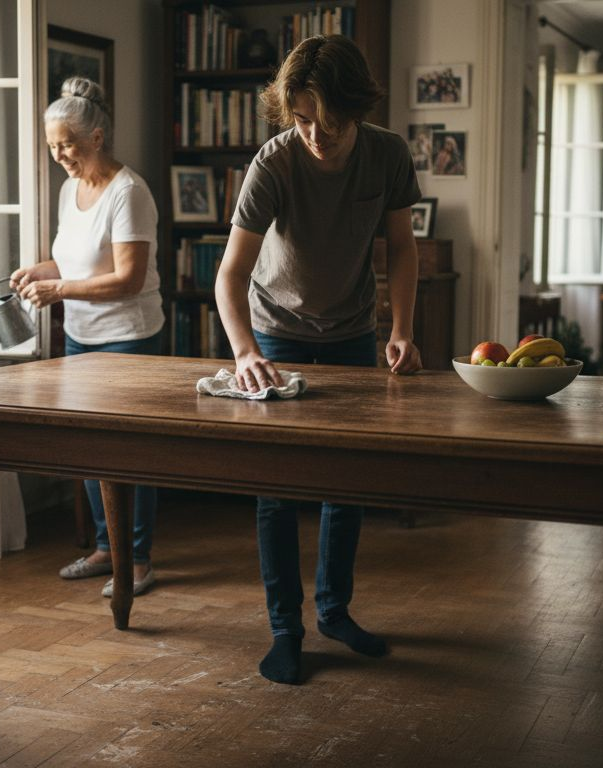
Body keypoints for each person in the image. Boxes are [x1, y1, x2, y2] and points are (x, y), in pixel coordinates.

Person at [214, 35, 423, 685]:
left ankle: (334, 611)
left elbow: (402, 250)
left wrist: (403, 330)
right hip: (275, 335)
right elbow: (229, 276)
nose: (314, 134)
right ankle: (286, 629)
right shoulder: (273, 163)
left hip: (354, 334)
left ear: (356, 109)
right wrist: (245, 351)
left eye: (327, 123)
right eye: (301, 119)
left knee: (345, 485)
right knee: (275, 491)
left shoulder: (387, 155)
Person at [11, 76, 163, 599]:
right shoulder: (68, 189)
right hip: (80, 337)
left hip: (128, 339)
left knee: (129, 455)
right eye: (53, 147)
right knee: (88, 451)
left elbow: (129, 279)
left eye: (67, 145)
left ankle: (137, 559)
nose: (59, 156)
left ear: (97, 138)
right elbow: (74, 259)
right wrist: (39, 271)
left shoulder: (130, 193)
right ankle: (106, 548)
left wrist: (60, 289)